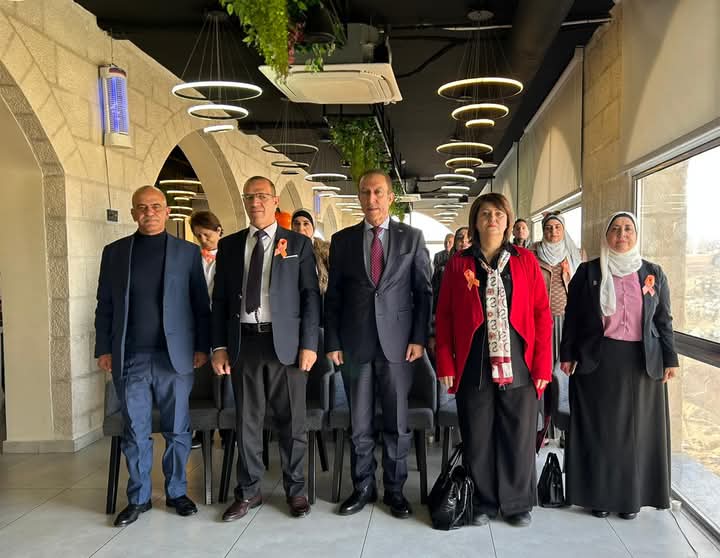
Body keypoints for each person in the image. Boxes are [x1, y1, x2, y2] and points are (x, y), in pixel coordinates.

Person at [94, 185, 211, 527]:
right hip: (130, 356)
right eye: (142, 207)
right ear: (133, 213)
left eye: (156, 206)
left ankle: (176, 492)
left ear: (167, 211)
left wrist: (202, 347)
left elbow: (200, 305)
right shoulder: (115, 253)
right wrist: (103, 348)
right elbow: (105, 304)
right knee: (135, 430)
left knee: (178, 429)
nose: (149, 212)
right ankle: (139, 498)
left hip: (175, 358)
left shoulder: (187, 253)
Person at [435, 193, 552, 528]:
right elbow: (443, 316)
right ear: (475, 221)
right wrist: (445, 362)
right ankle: (483, 500)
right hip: (474, 360)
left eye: (499, 214)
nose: (492, 220)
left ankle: (517, 504)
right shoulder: (459, 264)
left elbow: (542, 314)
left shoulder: (525, 261)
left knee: (519, 433)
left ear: (508, 221)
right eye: (485, 214)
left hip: (519, 361)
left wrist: (543, 365)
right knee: (478, 433)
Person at [212, 176, 321, 521]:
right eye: (249, 197)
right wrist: (219, 346)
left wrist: (309, 344)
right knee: (247, 420)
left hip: (286, 344)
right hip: (244, 342)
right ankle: (249, 491)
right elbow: (220, 300)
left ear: (275, 201)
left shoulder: (298, 244)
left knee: (292, 422)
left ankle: (296, 489)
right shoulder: (230, 246)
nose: (255, 202)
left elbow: (310, 297)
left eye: (261, 196)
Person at [325, 169, 432, 519]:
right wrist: (333, 340)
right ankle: (363, 487)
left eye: (378, 192)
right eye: (365, 192)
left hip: (399, 346)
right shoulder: (342, 241)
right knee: (359, 422)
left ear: (390, 197)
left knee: (396, 422)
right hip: (354, 345)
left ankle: (395, 490)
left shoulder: (411, 238)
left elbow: (423, 292)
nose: (371, 199)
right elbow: (333, 296)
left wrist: (419, 338)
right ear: (359, 197)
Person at [559, 212, 679, 520]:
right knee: (601, 431)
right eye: (615, 229)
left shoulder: (653, 273)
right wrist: (567, 354)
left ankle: (631, 500)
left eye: (628, 229)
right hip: (598, 360)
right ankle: (598, 497)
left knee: (637, 435)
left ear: (636, 235)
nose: (621, 234)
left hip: (642, 362)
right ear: (606, 235)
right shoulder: (588, 271)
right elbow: (572, 318)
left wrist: (670, 359)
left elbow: (663, 320)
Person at [531, 212, 584, 436]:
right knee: (540, 373)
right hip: (539, 322)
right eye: (548, 228)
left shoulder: (575, 254)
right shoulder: (533, 253)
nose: (553, 232)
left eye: (557, 228)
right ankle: (541, 428)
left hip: (566, 322)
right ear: (543, 231)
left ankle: (561, 429)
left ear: (563, 230)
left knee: (563, 374)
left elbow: (581, 290)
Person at [189, 210, 228, 450]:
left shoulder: (230, 255)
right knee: (201, 377)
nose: (203, 240)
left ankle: (227, 430)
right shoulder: (193, 258)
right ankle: (202, 431)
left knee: (224, 375)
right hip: (200, 322)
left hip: (222, 321)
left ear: (218, 231)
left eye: (207, 234)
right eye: (198, 236)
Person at [291, 208, 330, 295]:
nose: (301, 229)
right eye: (296, 224)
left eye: (306, 224)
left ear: (313, 227)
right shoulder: (286, 249)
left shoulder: (325, 251)